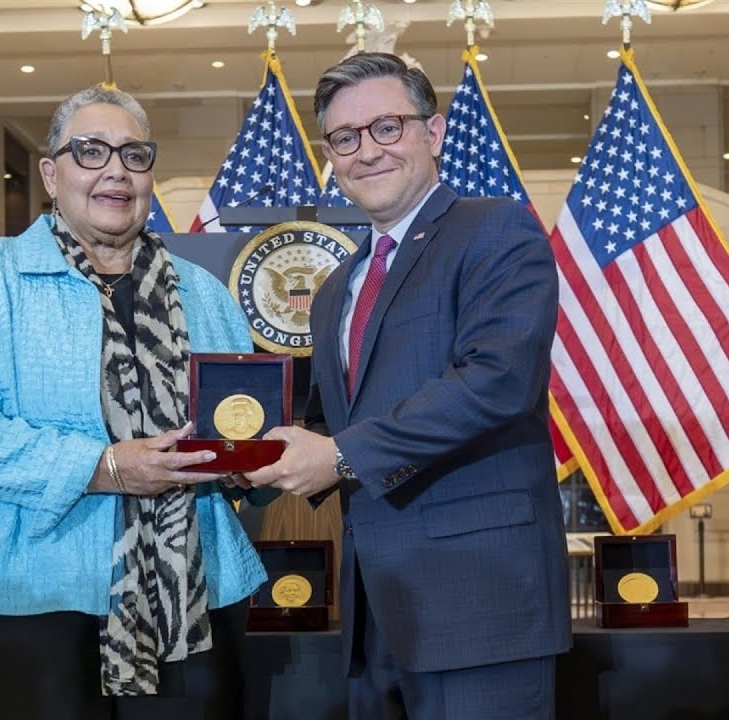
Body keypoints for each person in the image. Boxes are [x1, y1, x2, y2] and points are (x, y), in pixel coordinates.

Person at [0, 85, 271, 720]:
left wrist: (248, 462)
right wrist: (104, 468)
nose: (115, 172)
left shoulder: (205, 293)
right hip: (17, 606)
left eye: (134, 155)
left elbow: (240, 419)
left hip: (192, 605)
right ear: (51, 174)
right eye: (91, 152)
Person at [243, 53, 571, 720]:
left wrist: (335, 456)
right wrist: (242, 455)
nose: (367, 151)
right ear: (329, 155)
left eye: (387, 127)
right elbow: (335, 424)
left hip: (481, 605)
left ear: (434, 131)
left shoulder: (495, 230)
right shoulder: (338, 286)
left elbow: (496, 381)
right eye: (345, 137)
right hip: (375, 613)